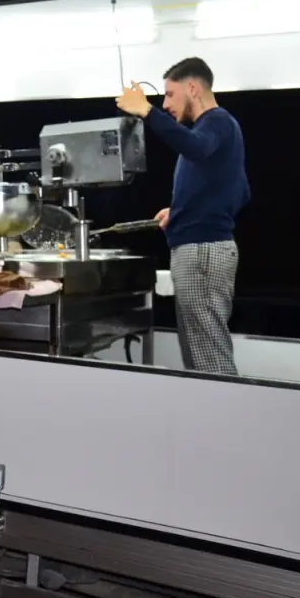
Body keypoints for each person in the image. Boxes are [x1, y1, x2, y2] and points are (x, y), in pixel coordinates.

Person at [116, 58, 249, 376]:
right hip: (204, 249)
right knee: (201, 354)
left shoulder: (216, 122)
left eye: (170, 94)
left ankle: (221, 409)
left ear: (193, 88)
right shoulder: (217, 131)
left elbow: (194, 147)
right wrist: (182, 211)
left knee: (208, 358)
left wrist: (147, 111)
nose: (165, 104)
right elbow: (241, 191)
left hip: (202, 251)